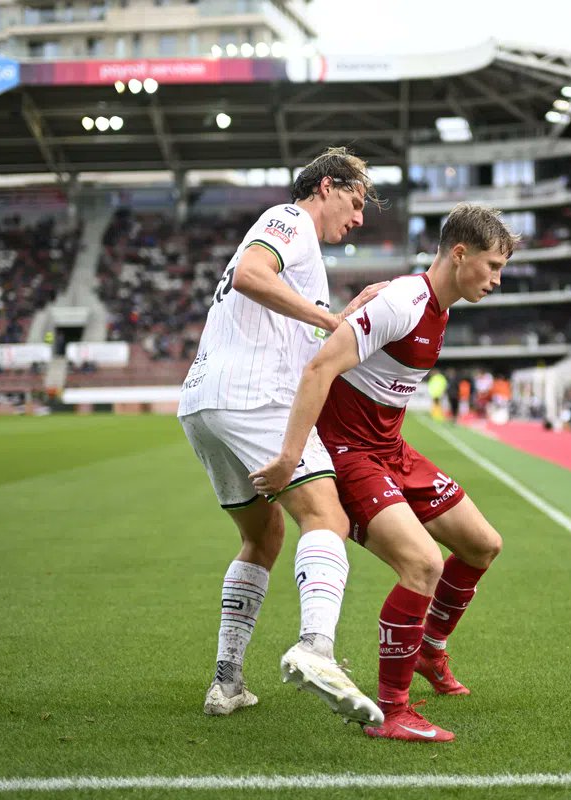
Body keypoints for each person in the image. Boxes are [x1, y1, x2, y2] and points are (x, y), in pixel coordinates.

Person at [251, 203, 518, 742]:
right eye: (492, 266)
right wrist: (291, 457)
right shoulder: (403, 302)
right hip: (350, 454)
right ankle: (393, 712)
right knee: (422, 564)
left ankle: (429, 652)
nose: (496, 279)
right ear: (459, 253)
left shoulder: (438, 307)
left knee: (482, 545)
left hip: (390, 449)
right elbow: (319, 367)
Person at [176, 147, 386, 725]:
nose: (359, 218)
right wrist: (329, 318)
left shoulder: (304, 257)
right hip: (252, 395)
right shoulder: (289, 219)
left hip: (203, 404)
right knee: (327, 517)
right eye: (355, 202)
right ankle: (316, 647)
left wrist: (341, 313)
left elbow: (296, 333)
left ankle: (227, 681)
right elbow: (250, 275)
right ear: (326, 186)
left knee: (262, 536)